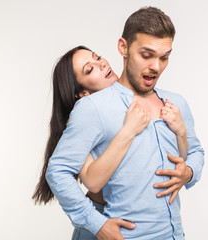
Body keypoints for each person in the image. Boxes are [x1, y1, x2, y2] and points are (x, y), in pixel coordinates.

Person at [46, 6, 204, 240]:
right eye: (146, 55)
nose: (156, 66)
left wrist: (188, 172)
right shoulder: (92, 107)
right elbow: (59, 171)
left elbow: (196, 151)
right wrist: (96, 224)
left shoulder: (176, 103)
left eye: (164, 57)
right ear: (123, 47)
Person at [32, 46, 189, 239]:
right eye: (90, 69)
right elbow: (92, 181)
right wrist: (98, 224)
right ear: (82, 94)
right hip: (103, 218)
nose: (102, 63)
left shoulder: (134, 104)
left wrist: (184, 157)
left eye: (98, 57)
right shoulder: (86, 115)